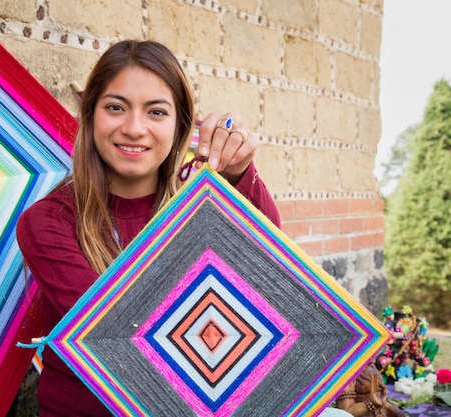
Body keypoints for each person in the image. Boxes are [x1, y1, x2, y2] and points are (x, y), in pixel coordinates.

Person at [17, 39, 320, 416]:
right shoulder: (48, 222)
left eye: (156, 112)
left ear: (180, 127)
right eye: (115, 107)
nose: (134, 128)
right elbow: (117, 335)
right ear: (91, 116)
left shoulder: (197, 206)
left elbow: (268, 260)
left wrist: (238, 173)